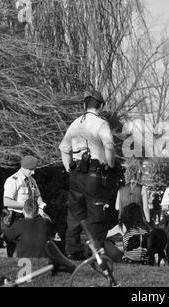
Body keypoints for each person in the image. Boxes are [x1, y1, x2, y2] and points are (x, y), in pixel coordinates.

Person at [59, 90, 118, 260]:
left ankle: (71, 250)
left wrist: (69, 168)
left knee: (75, 214)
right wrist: (110, 164)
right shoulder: (101, 124)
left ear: (85, 105)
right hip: (94, 172)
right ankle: (94, 252)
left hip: (76, 173)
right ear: (100, 106)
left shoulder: (75, 123)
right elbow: (109, 145)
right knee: (96, 214)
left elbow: (64, 148)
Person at [3, 155, 48, 257]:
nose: (33, 172)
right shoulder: (13, 180)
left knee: (30, 242)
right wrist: (26, 206)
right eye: (31, 170)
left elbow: (37, 196)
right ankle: (13, 265)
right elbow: (7, 202)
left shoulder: (32, 180)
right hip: (17, 217)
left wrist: (41, 206)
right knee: (14, 246)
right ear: (24, 167)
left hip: (32, 216)